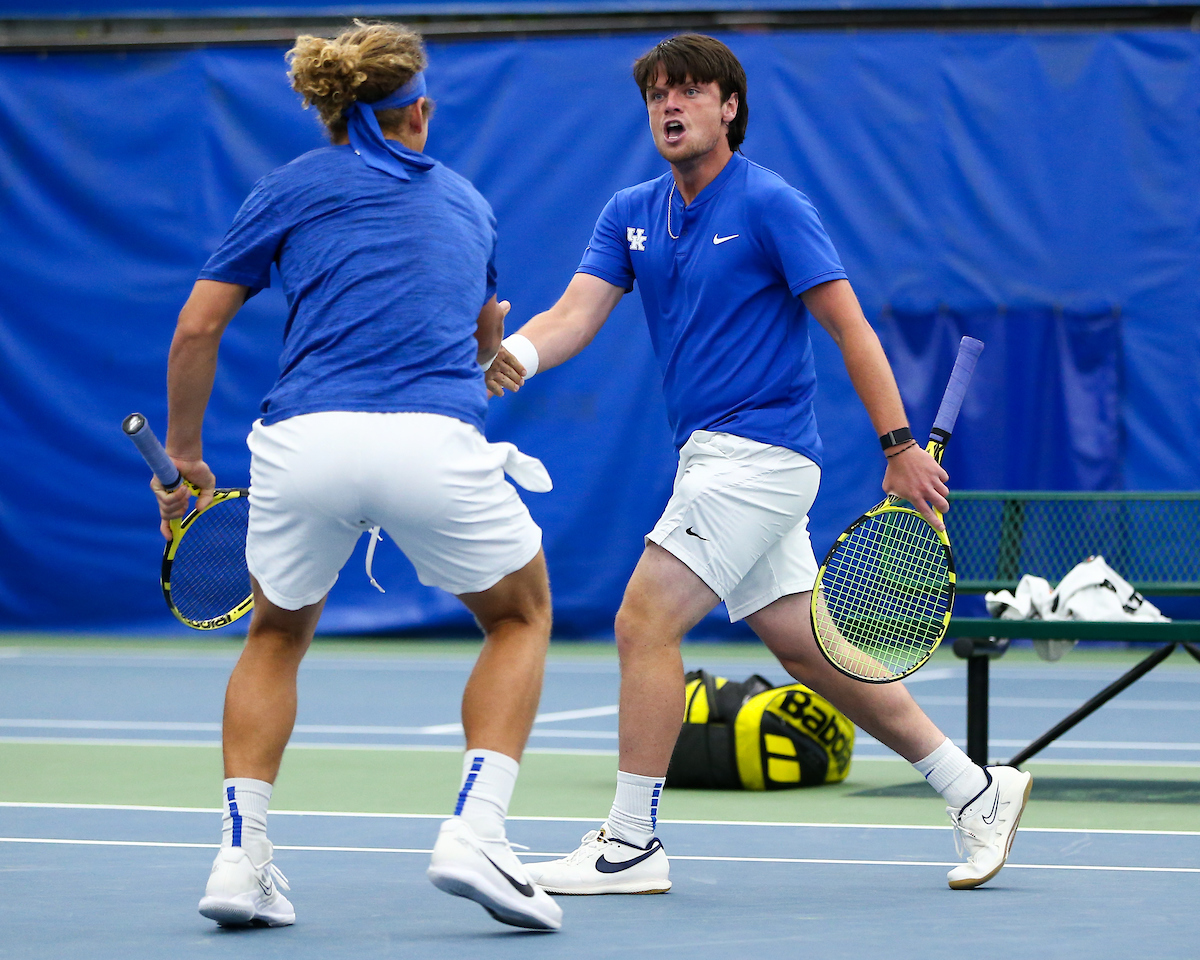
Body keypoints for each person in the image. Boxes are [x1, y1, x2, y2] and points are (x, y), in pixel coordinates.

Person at [486, 33, 1031, 895]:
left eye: (690, 92)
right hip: (709, 456)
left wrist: (896, 449)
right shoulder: (631, 209)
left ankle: (631, 844)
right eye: (658, 95)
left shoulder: (773, 203)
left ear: (728, 106)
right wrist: (517, 351)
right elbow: (575, 311)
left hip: (760, 457)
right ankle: (976, 792)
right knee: (812, 652)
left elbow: (850, 327)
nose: (670, 107)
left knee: (642, 621)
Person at [152, 21, 562, 932]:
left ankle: (240, 856)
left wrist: (183, 460)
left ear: (338, 111)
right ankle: (477, 831)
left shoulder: (288, 188)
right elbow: (485, 333)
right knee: (520, 615)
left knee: (274, 637)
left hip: (306, 445)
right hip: (431, 441)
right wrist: (490, 351)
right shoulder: (467, 201)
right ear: (416, 110)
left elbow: (194, 329)